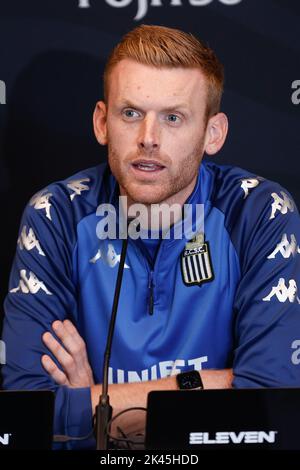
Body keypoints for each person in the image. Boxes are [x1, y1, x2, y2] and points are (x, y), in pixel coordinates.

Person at [2, 24, 300, 449]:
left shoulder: (258, 213)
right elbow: (25, 417)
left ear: (212, 134)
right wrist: (215, 386)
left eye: (173, 118)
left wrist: (92, 406)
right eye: (131, 113)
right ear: (102, 123)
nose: (148, 139)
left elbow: (266, 406)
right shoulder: (57, 215)